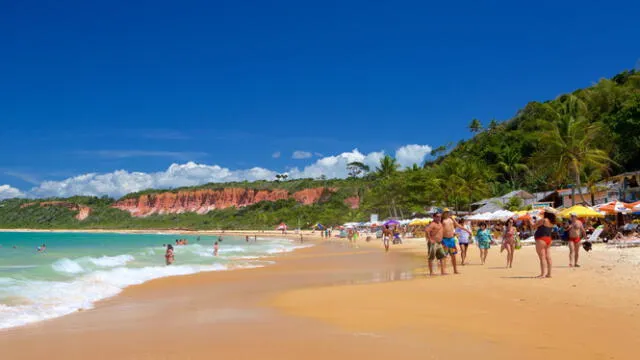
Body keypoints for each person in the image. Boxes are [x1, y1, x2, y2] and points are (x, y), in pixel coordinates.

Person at [442, 209, 471, 274]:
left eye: (448, 212)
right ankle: (444, 270)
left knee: (453, 255)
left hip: (451, 239)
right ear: (443, 213)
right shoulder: (442, 220)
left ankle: (455, 270)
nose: (447, 213)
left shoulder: (452, 219)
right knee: (445, 256)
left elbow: (458, 225)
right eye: (446, 212)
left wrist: (467, 230)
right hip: (445, 239)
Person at [534, 211, 556, 278]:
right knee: (548, 257)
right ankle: (549, 274)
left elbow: (533, 226)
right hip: (548, 239)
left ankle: (543, 274)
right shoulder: (552, 222)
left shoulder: (544, 220)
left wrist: (529, 219)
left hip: (541, 239)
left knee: (542, 257)